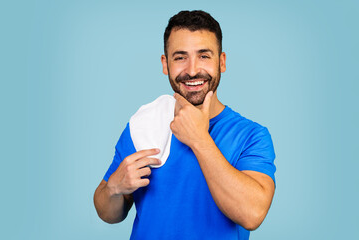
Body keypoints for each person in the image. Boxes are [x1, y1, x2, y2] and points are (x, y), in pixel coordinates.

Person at [94, 10, 276, 240]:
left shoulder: (251, 136)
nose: (191, 70)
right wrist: (113, 189)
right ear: (165, 64)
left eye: (204, 56)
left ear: (222, 62)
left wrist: (199, 139)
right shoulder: (145, 125)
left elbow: (252, 214)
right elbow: (107, 213)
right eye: (180, 57)